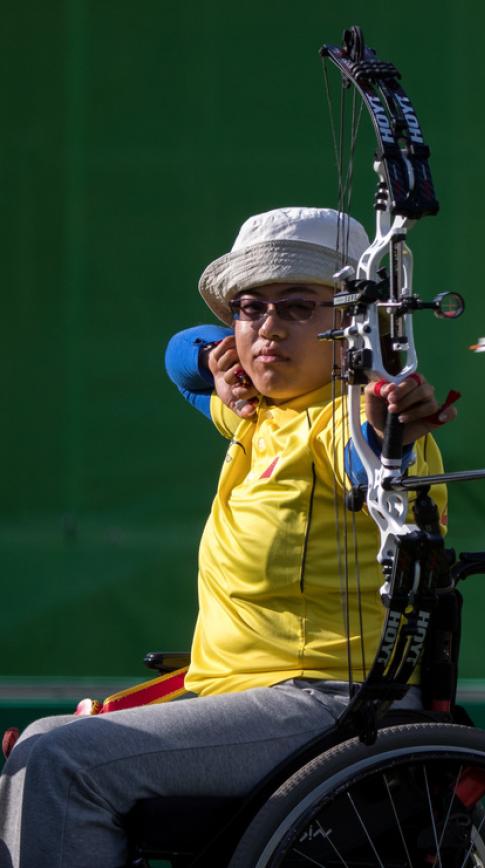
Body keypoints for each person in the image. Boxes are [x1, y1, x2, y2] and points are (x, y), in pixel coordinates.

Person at [0, 207, 456, 867]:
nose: (268, 328)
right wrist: (222, 357)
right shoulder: (259, 415)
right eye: (249, 308)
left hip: (324, 700)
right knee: (34, 746)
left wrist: (391, 429)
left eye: (299, 307)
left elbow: (374, 451)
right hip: (243, 699)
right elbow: (177, 356)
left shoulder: (341, 417)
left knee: (57, 762)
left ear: (354, 321)